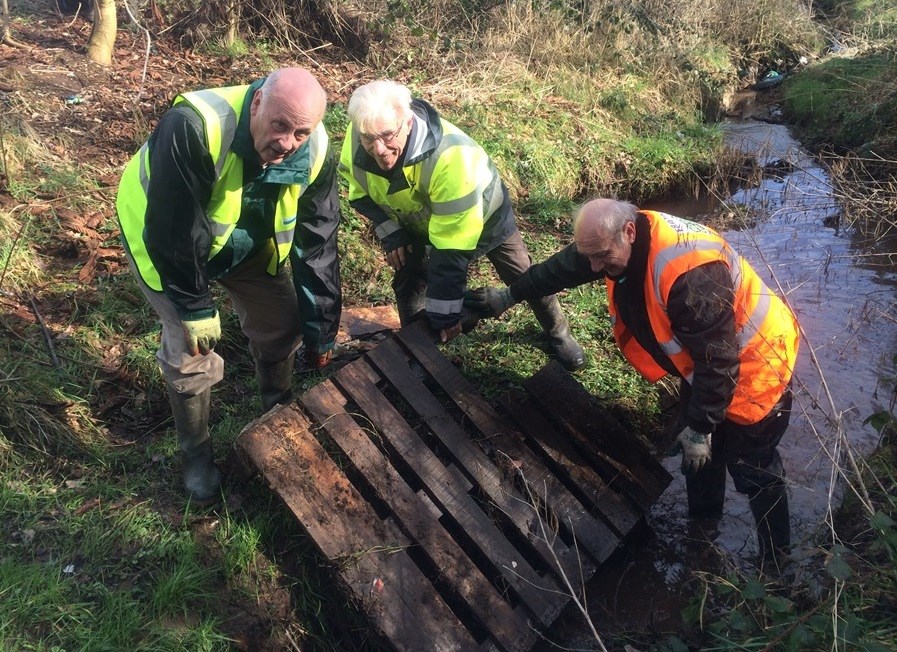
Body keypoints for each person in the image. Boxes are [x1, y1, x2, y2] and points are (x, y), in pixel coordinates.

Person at [466, 198, 800, 570]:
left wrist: (701, 428)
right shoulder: (614, 240)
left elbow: (719, 362)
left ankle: (776, 563)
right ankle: (703, 533)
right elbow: (564, 268)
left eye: (601, 258)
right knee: (701, 459)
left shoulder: (691, 275)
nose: (594, 268)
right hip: (705, 365)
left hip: (756, 366)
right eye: (589, 257)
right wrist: (509, 295)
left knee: (753, 468)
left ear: (628, 232)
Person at [116, 68, 342, 505]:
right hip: (164, 239)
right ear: (256, 101)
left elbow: (319, 239)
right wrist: (194, 307)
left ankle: (276, 404)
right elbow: (176, 230)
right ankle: (196, 455)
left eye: (300, 132)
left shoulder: (316, 149)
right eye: (279, 125)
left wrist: (322, 326)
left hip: (244, 239)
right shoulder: (194, 126)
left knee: (283, 322)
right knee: (190, 351)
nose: (287, 142)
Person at [338, 79, 584, 369]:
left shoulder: (451, 157)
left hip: (482, 214)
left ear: (407, 121)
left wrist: (447, 315)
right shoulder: (360, 137)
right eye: (369, 138)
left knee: (521, 273)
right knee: (408, 280)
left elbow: (450, 251)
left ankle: (558, 333)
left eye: (387, 135)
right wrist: (391, 232)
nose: (378, 149)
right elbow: (360, 193)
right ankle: (417, 347)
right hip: (416, 220)